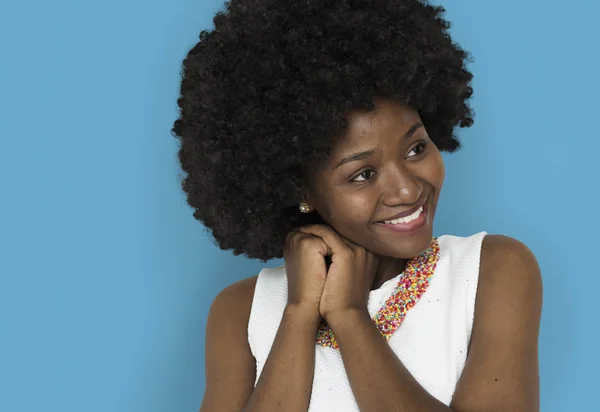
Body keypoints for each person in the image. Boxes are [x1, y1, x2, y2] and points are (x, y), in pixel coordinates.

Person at [171, 0, 543, 411]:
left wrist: (349, 316)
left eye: (416, 148)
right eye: (362, 175)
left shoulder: (493, 270)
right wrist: (299, 312)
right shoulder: (240, 312)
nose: (405, 190)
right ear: (300, 190)